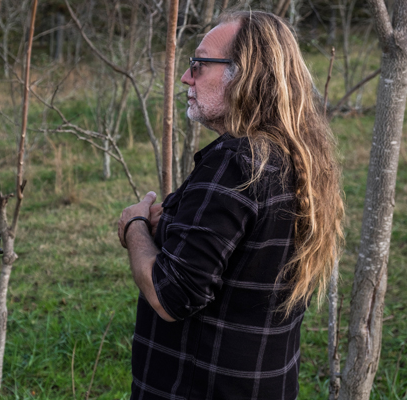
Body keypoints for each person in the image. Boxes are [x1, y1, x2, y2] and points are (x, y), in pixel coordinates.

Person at [118, 11, 344, 400]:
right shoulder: (298, 158)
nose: (186, 77)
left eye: (199, 65)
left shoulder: (236, 164)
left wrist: (134, 225)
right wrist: (169, 226)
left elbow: (170, 296)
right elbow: (242, 256)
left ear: (244, 74)